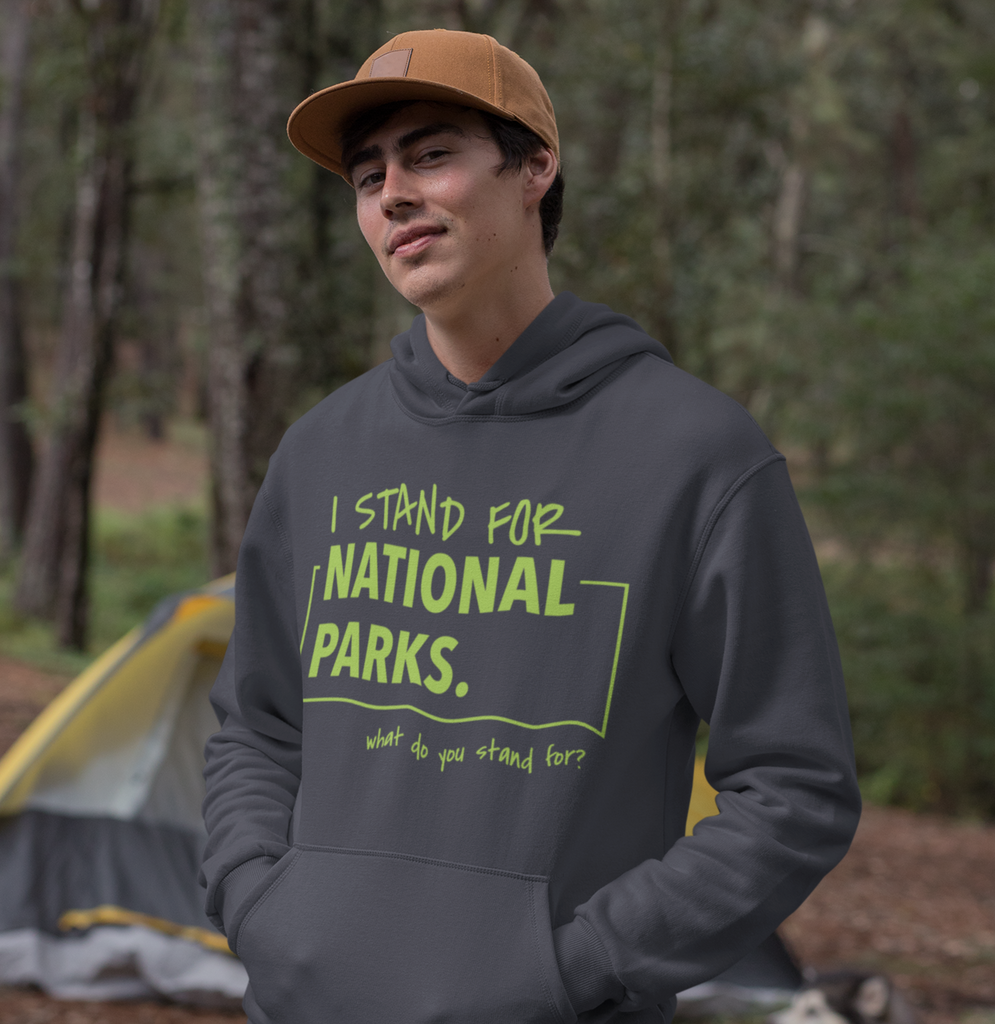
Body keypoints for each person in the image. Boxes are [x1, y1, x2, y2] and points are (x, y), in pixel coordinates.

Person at [201, 28, 861, 1024]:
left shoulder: (695, 456)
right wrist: (260, 904)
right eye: (367, 174)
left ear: (534, 168)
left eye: (431, 155)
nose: (392, 195)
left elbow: (795, 788)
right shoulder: (322, 451)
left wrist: (578, 963)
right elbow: (257, 724)